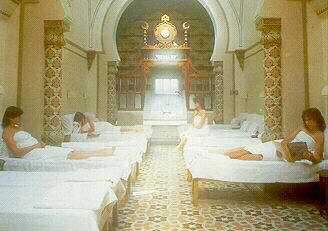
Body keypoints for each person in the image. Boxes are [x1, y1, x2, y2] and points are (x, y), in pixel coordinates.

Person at [2, 106, 115, 160]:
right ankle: (100, 154)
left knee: (69, 151)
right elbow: (16, 152)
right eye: (17, 117)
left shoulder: (18, 128)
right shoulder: (7, 132)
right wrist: (35, 146)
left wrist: (39, 144)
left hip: (38, 148)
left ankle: (99, 152)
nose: (20, 120)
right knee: (67, 155)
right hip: (31, 154)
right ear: (11, 118)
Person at [220, 108, 325, 164]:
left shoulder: (320, 135)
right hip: (282, 147)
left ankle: (223, 159)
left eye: (310, 120)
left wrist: (310, 157)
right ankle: (218, 157)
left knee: (255, 156)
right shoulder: (302, 127)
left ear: (317, 119)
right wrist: (286, 151)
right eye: (306, 120)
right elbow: (286, 140)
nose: (307, 122)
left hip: (291, 154)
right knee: (246, 149)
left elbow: (318, 158)